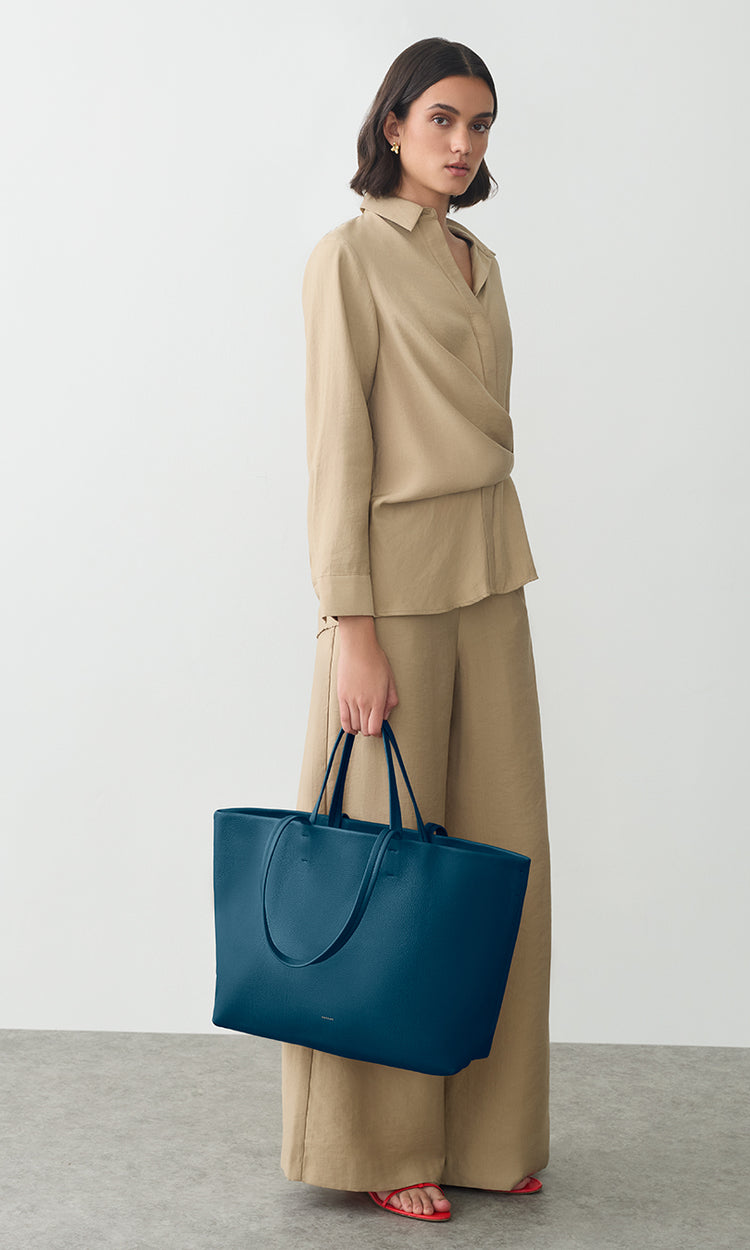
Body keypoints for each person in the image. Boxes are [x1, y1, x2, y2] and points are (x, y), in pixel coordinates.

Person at [282, 36, 552, 1224]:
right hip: (390, 590)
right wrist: (351, 622)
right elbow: (339, 449)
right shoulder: (348, 258)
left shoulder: (478, 261)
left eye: (481, 124)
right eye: (441, 118)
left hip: (490, 574)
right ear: (391, 124)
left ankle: (492, 1134)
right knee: (381, 868)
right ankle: (380, 1139)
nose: (462, 143)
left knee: (497, 864)